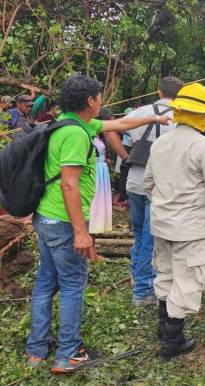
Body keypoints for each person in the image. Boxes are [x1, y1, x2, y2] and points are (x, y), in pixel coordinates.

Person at [25, 75, 170, 374]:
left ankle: (36, 349)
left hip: (46, 217)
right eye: (100, 97)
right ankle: (68, 353)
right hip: (64, 222)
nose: (103, 101)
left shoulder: (71, 122)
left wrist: (156, 118)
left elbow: (120, 125)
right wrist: (81, 232)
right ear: (90, 101)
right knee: (72, 285)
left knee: (45, 282)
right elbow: (69, 184)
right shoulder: (76, 135)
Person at [144, 83, 205, 362]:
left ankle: (163, 329)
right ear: (203, 116)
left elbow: (148, 184)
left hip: (161, 223)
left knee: (165, 274)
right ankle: (172, 341)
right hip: (190, 227)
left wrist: (166, 205)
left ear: (178, 111)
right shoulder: (203, 147)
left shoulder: (160, 143)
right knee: (187, 280)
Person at [125, 76, 184, 307]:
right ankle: (142, 292)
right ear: (179, 95)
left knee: (140, 234)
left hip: (134, 181)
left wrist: (124, 155)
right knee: (150, 239)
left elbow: (113, 128)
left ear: (159, 92)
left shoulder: (140, 112)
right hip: (158, 185)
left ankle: (136, 277)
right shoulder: (180, 116)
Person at [88, 108, 131, 234]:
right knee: (93, 203)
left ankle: (94, 236)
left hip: (102, 171)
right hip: (93, 171)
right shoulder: (89, 132)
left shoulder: (101, 135)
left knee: (99, 204)